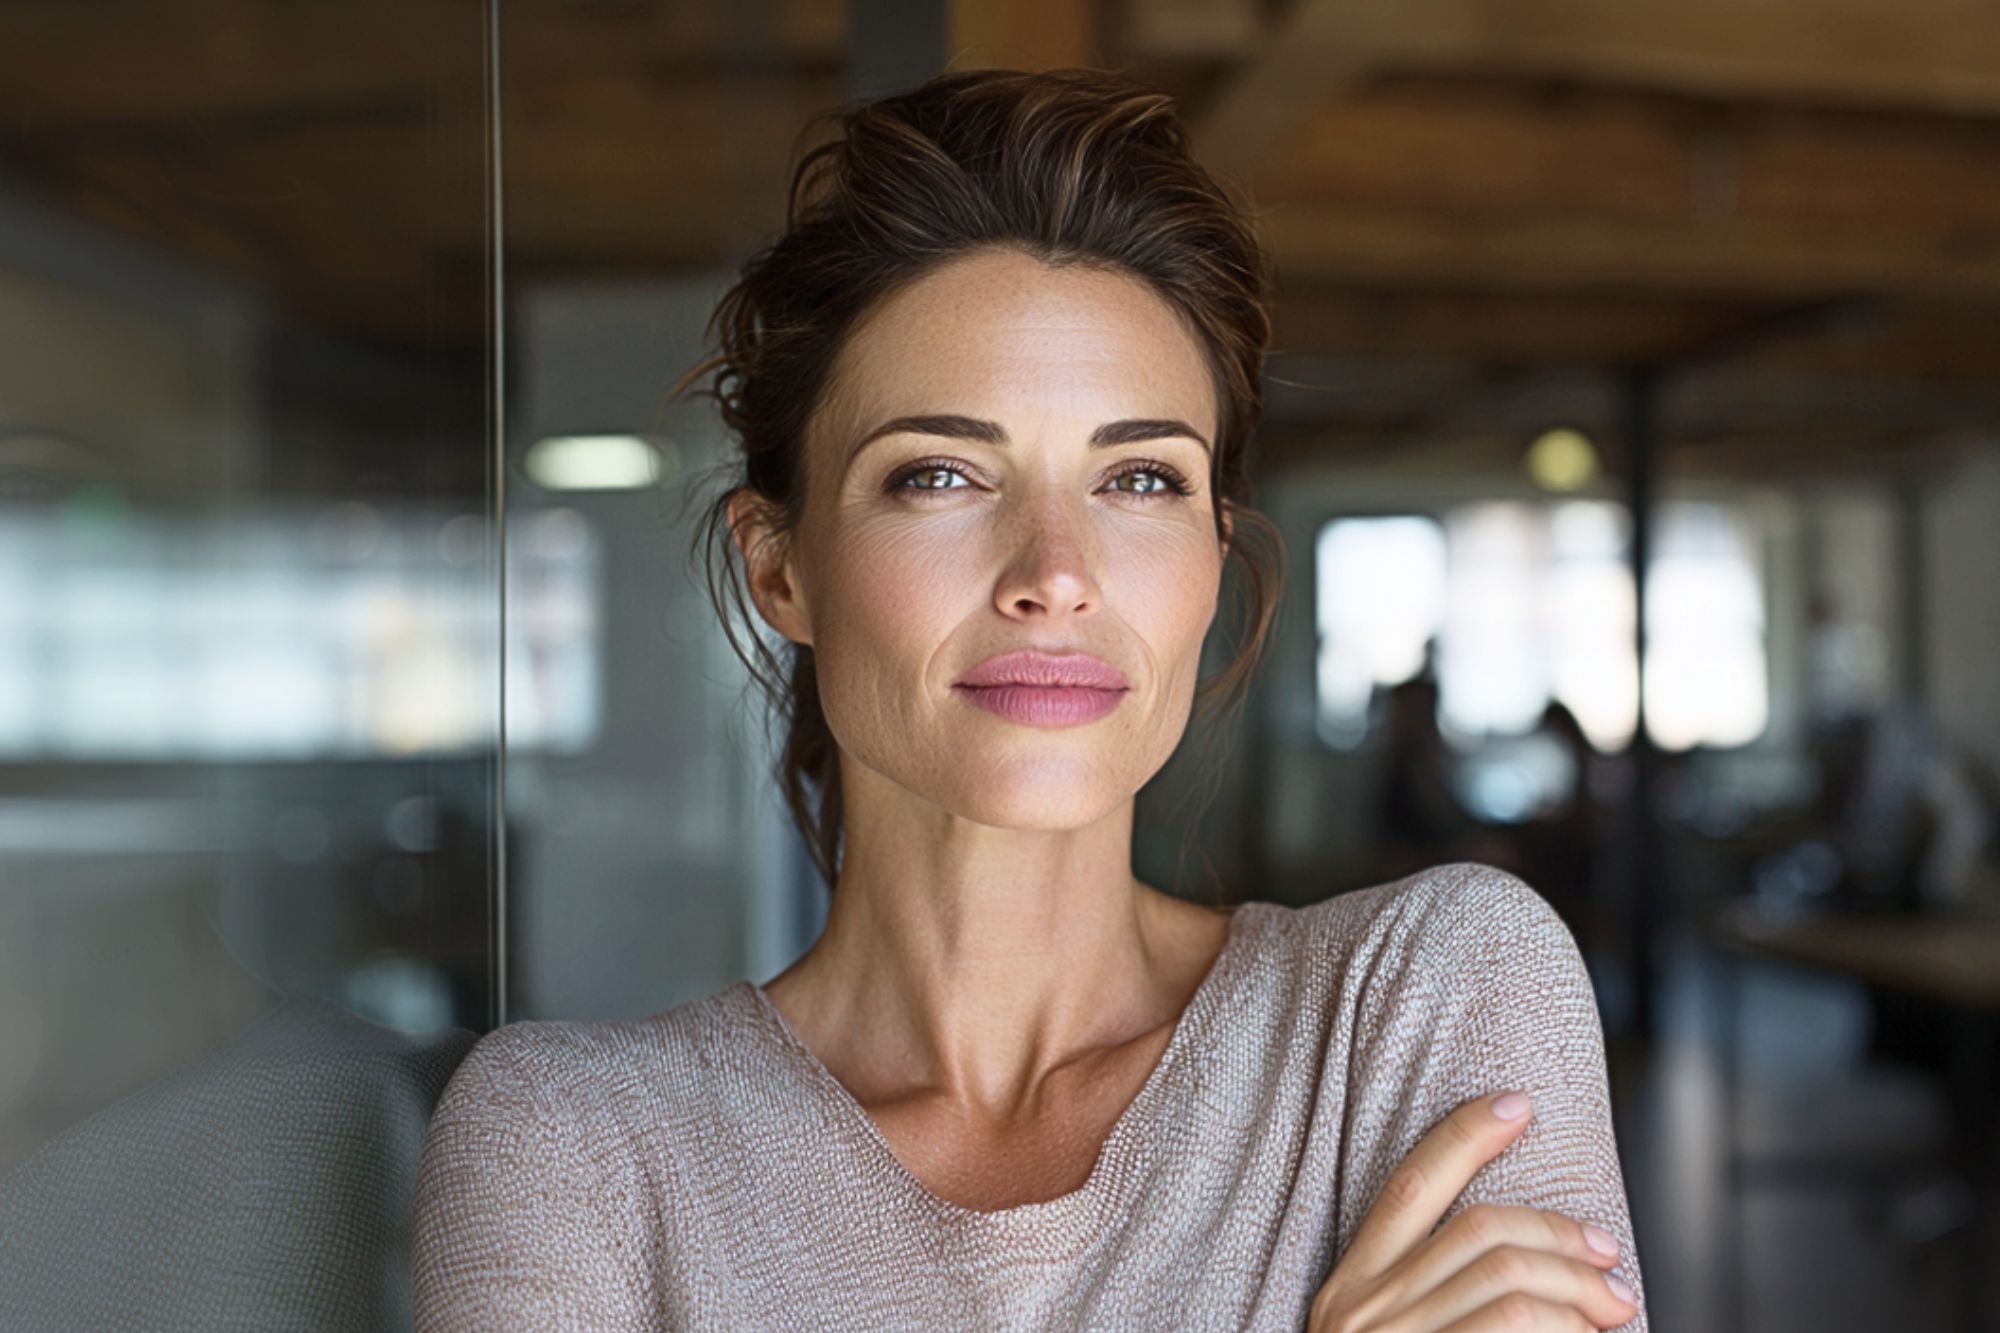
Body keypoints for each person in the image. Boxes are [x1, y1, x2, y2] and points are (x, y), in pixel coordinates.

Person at [410, 68, 1646, 1331]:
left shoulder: (1425, 997)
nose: (1054, 574)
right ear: (779, 565)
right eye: (941, 474)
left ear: (1214, 555)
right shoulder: (573, 1146)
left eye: (1142, 480)